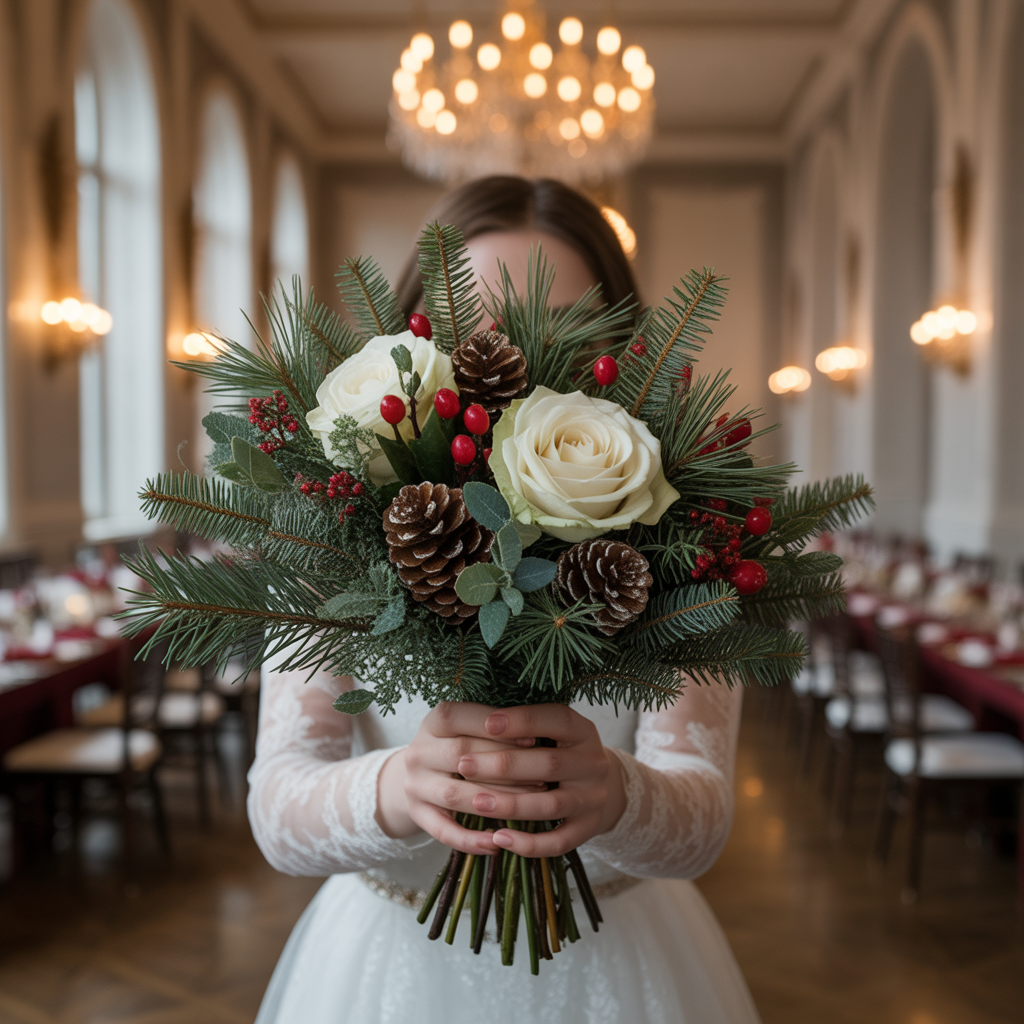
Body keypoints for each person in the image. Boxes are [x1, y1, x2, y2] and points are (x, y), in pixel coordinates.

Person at [248, 176, 762, 1024]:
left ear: (624, 353)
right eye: (477, 335)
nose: (511, 371)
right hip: (389, 966)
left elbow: (702, 809)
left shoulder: (687, 532)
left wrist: (620, 795)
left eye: (556, 334)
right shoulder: (331, 522)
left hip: (621, 960)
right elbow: (277, 806)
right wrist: (396, 787)